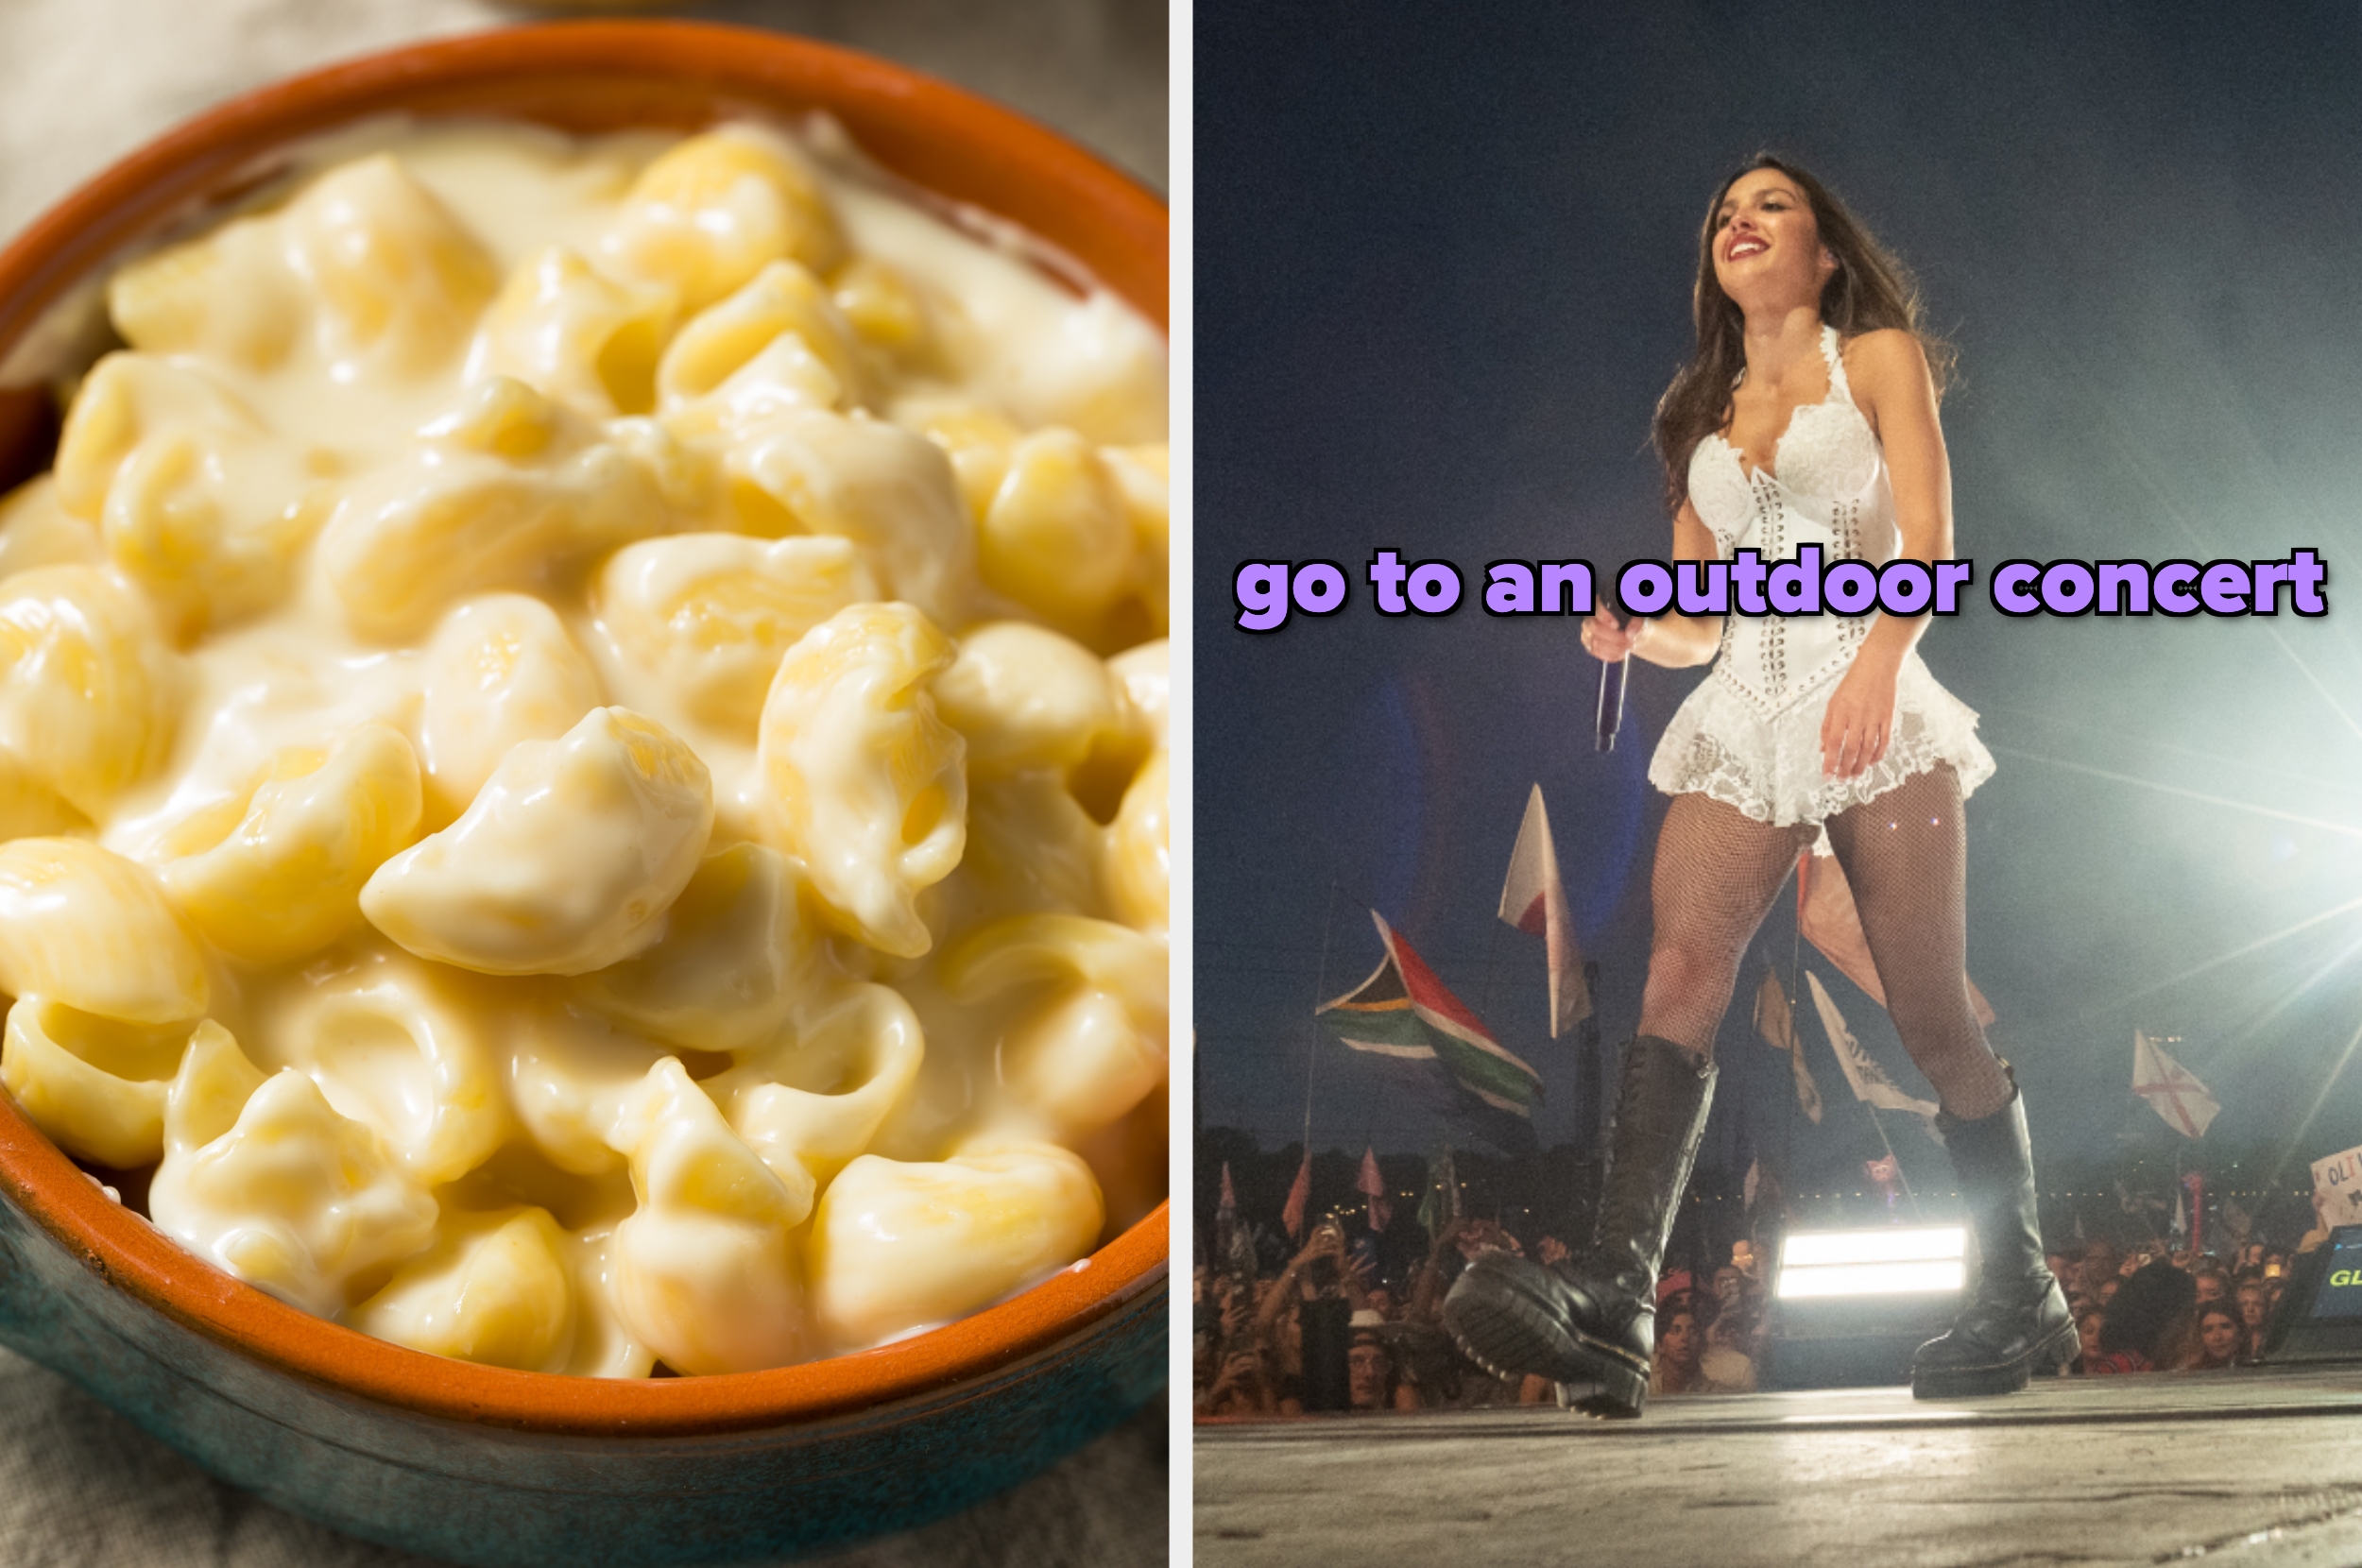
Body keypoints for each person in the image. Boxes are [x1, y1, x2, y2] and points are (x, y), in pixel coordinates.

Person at [1443, 153, 2067, 1418]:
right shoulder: (1696, 412)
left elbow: (1935, 550)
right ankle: (1618, 1302)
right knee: (1680, 972)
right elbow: (1702, 616)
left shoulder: (1877, 358)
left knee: (1928, 1008)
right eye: (1725, 210)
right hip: (1748, 715)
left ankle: (2021, 1285)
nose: (1741, 220)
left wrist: (1879, 667)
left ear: (1824, 250)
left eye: (1770, 205)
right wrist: (1636, 623)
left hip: (1871, 684)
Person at [2191, 1305, 2243, 1371]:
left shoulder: (2256, 1370)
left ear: (2240, 1332)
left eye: (2225, 1327)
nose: (2217, 1337)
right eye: (2208, 1329)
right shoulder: (2190, 1375)